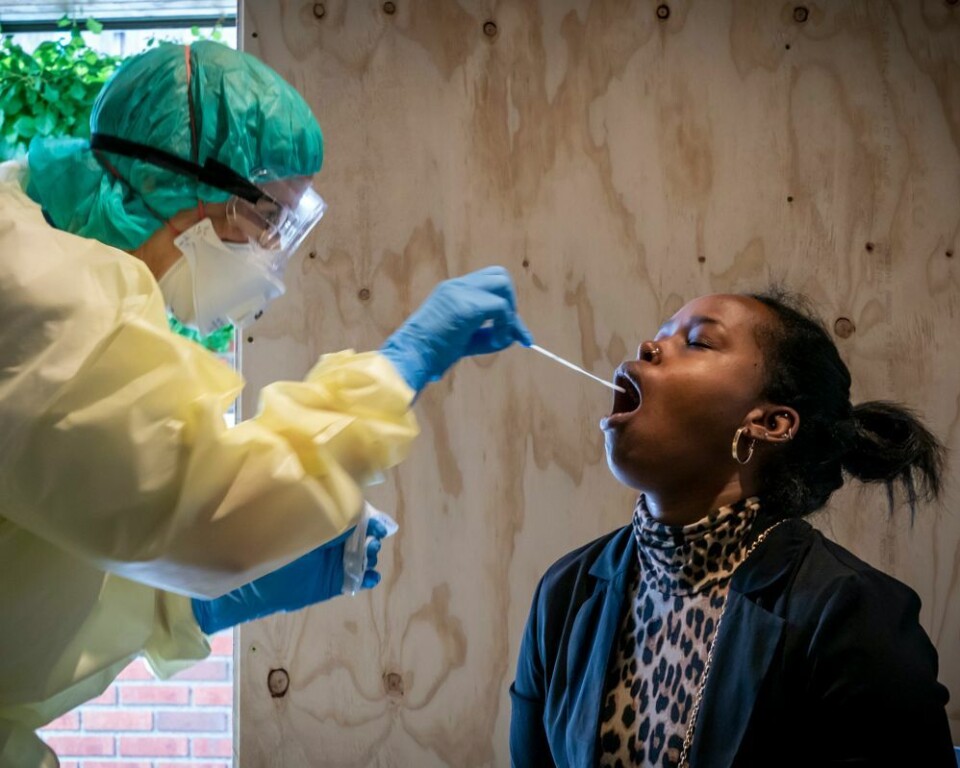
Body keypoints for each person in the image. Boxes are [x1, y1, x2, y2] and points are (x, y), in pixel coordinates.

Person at [0, 41, 532, 767]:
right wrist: (400, 366)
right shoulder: (42, 290)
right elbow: (200, 510)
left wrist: (181, 605)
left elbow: (49, 548)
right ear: (188, 189)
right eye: (266, 219)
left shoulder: (51, 260)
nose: (272, 255)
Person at [509, 289, 954, 767]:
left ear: (770, 423)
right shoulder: (566, 593)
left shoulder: (851, 614)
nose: (648, 348)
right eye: (659, 336)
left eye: (698, 342)